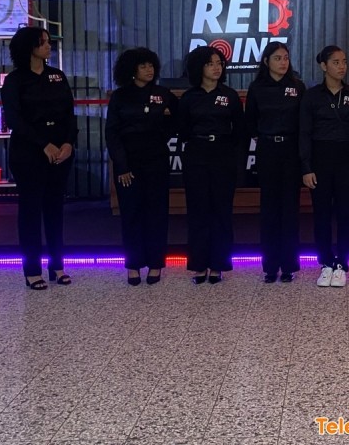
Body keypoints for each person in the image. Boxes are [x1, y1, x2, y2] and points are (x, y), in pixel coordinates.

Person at [1, 26, 77, 290]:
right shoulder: (15, 80)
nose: (48, 46)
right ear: (30, 47)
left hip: (60, 151)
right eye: (43, 42)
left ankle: (57, 266)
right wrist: (43, 144)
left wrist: (68, 143)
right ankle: (32, 270)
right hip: (29, 152)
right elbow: (14, 119)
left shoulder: (57, 76)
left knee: (55, 209)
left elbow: (69, 113)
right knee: (30, 210)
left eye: (48, 42)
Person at [105, 48, 178, 286]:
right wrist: (122, 166)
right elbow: (112, 133)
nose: (149, 70)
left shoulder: (162, 94)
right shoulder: (120, 96)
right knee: (131, 213)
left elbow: (179, 120)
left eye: (151, 65)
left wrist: (164, 132)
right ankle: (133, 264)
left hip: (156, 161)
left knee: (157, 213)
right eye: (143, 66)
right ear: (132, 70)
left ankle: (156, 263)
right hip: (128, 163)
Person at [300, 45, 349, 288]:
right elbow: (304, 133)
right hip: (319, 159)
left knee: (346, 213)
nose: (342, 67)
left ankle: (342, 263)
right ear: (324, 66)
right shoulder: (311, 96)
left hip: (346, 159)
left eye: (344, 62)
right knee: (321, 214)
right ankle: (326, 263)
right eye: (336, 62)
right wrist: (306, 167)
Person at [178, 47, 246, 284]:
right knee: (198, 211)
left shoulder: (229, 95)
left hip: (223, 155)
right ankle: (199, 265)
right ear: (199, 68)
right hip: (196, 154)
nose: (216, 68)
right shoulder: (189, 98)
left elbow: (240, 130)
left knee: (221, 212)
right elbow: (183, 130)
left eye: (219, 63)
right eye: (210, 64)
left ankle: (218, 264)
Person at [245, 42, 306, 283]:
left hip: (291, 150)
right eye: (278, 58)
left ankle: (289, 265)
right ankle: (270, 266)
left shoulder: (297, 86)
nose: (283, 62)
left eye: (286, 58)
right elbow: (250, 122)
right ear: (266, 61)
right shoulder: (257, 88)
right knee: (269, 209)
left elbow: (304, 122)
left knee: (290, 208)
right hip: (267, 149)